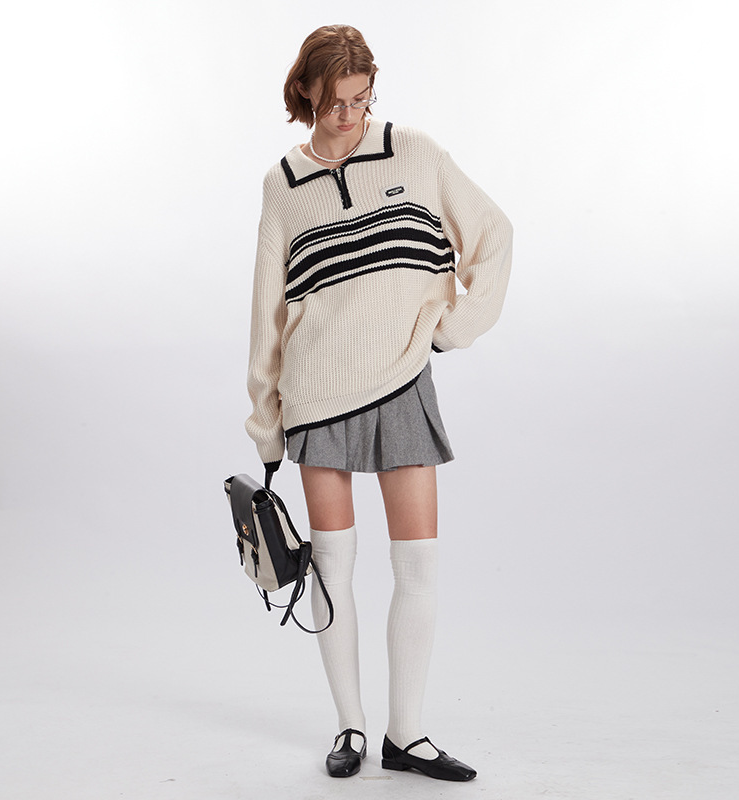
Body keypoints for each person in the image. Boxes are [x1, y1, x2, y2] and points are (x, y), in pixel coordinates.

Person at [245, 24, 512, 781]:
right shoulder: (282, 185)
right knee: (332, 568)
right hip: (316, 395)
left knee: (417, 564)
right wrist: (266, 425)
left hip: (401, 383)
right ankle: (351, 729)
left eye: (362, 99)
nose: (350, 115)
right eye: (335, 101)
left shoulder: (413, 152)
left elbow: (494, 234)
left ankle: (408, 735)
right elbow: (268, 311)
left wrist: (452, 328)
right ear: (306, 93)